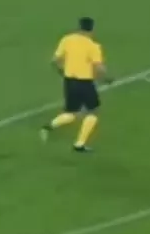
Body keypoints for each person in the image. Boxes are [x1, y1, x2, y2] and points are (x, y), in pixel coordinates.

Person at [41, 17, 112, 152]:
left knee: (71, 113)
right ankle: (79, 144)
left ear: (79, 27)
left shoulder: (67, 39)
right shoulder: (93, 46)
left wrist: (62, 71)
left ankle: (48, 127)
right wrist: (106, 79)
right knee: (93, 112)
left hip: (69, 81)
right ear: (92, 29)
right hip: (85, 83)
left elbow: (54, 61)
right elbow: (99, 68)